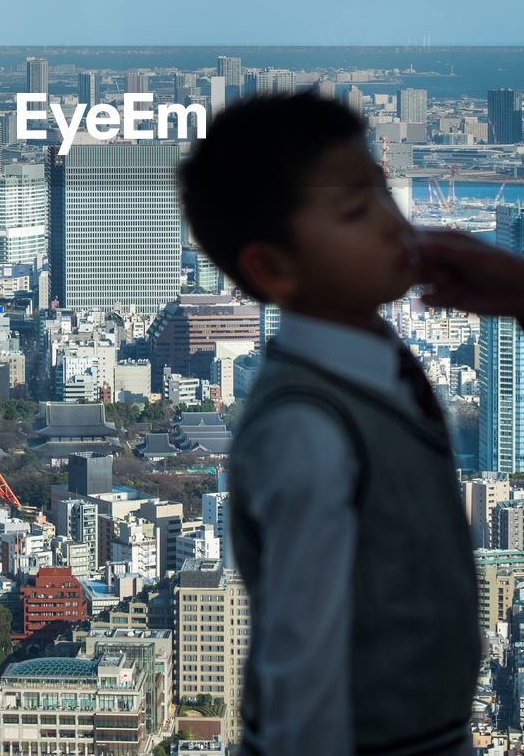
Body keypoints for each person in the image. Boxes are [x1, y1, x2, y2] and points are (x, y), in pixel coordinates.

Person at [177, 92, 481, 756]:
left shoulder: (377, 363)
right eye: (353, 210)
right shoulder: (305, 429)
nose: (389, 223)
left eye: (381, 192)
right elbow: (302, 666)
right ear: (273, 267)